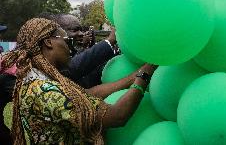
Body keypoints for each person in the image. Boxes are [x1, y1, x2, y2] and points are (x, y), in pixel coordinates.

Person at [1, 18, 157, 144]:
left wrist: (133, 76)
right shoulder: (47, 92)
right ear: (49, 42)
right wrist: (144, 76)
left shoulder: (37, 79)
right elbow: (117, 116)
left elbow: (85, 94)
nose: (70, 48)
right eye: (67, 41)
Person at [52, 13, 117, 88]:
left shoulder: (73, 51)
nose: (81, 34)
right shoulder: (52, 61)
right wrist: (110, 41)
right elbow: (71, 68)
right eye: (75, 30)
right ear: (59, 32)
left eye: (81, 30)